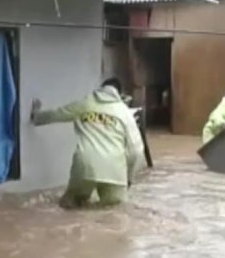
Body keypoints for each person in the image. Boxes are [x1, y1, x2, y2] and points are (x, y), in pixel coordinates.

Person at [30, 78, 145, 209]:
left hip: (85, 165)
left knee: (70, 206)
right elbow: (136, 150)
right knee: (114, 214)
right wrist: (129, 177)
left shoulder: (85, 103)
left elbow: (58, 114)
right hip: (115, 170)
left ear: (100, 88)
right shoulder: (123, 112)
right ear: (119, 93)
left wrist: (37, 117)